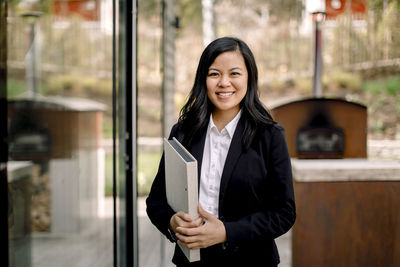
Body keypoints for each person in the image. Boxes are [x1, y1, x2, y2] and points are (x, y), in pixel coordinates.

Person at [146, 36, 296, 267]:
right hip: (192, 261)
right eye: (214, 74)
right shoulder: (183, 132)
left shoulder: (270, 136)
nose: (224, 82)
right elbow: (156, 200)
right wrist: (171, 222)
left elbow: (283, 213)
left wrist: (226, 232)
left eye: (234, 73)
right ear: (203, 79)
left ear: (249, 78)